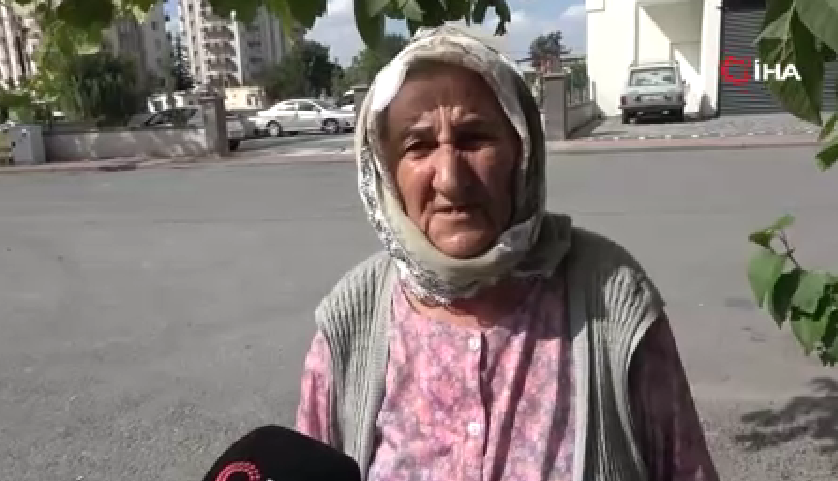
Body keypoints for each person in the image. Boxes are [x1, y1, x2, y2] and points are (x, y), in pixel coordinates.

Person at [295, 25, 720, 481]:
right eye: (418, 146)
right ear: (385, 171)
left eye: (474, 138)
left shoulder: (609, 295)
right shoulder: (353, 315)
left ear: (522, 150)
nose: (450, 179)